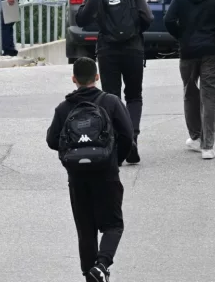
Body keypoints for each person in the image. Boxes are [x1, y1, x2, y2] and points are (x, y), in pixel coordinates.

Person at [46, 57, 134, 282]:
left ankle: (89, 274)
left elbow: (52, 140)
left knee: (86, 230)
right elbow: (127, 135)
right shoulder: (111, 102)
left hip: (77, 178)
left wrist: (73, 157)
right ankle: (102, 265)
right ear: (97, 76)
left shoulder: (64, 108)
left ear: (74, 79)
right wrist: (114, 160)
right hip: (106, 174)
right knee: (113, 225)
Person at [74, 0, 151, 163]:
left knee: (112, 97)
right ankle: (133, 137)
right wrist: (134, 32)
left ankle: (118, 141)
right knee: (134, 96)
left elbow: (80, 19)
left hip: (108, 51)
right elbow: (148, 18)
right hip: (133, 50)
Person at [164, 0, 215, 160]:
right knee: (209, 97)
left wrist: (182, 35)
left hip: (188, 51)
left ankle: (195, 137)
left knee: (190, 92)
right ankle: (208, 147)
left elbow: (169, 20)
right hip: (210, 51)